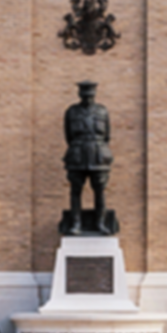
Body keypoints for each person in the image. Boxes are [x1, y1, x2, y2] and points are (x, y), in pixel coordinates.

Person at [61, 81, 115, 235]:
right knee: (76, 190)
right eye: (85, 95)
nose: (87, 98)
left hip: (98, 155)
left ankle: (100, 223)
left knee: (100, 189)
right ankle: (76, 223)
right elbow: (68, 136)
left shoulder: (102, 111)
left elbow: (107, 136)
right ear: (80, 95)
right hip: (78, 154)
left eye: (90, 95)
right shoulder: (72, 112)